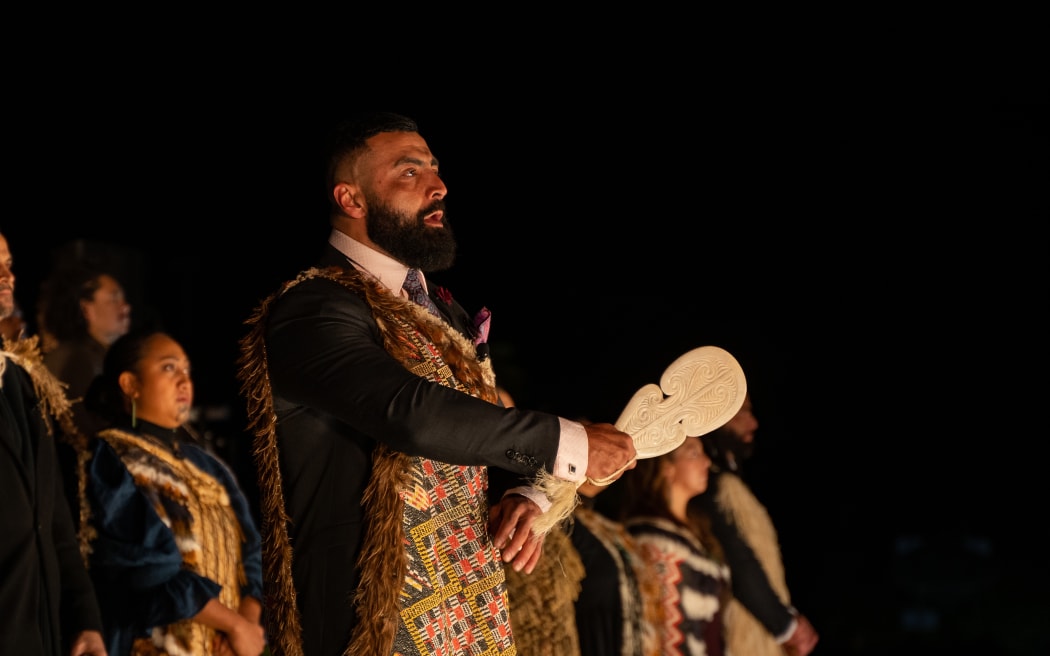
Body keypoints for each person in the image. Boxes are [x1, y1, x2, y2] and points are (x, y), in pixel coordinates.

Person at [236, 110, 638, 656]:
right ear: (350, 200)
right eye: (409, 172)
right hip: (372, 626)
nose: (438, 185)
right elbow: (411, 414)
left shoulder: (442, 313)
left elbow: (467, 444)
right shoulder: (312, 307)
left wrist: (521, 493)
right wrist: (570, 443)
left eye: (434, 168)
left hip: (471, 618)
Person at [82, 329, 265, 656]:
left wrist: (245, 626)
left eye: (186, 371)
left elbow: (250, 550)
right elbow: (147, 567)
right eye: (168, 368)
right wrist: (232, 625)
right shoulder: (112, 457)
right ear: (130, 384)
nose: (184, 381)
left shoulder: (207, 466)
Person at [0, 230, 108, 655]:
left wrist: (84, 619)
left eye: (7, 263)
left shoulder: (26, 381)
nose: (7, 276)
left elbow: (54, 518)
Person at [694, 393, 820, 656]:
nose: (753, 423)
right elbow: (738, 559)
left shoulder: (729, 485)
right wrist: (785, 624)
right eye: (743, 413)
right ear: (718, 418)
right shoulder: (714, 488)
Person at [622, 434, 731, 656]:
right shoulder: (654, 539)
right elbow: (661, 631)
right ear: (666, 468)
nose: (707, 461)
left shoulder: (695, 531)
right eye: (694, 453)